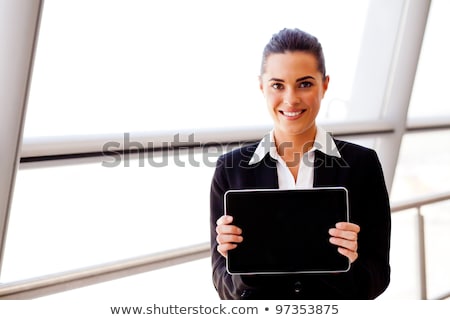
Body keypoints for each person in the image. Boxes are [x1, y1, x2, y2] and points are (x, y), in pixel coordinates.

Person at [209, 28, 391, 299]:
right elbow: (223, 284)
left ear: (325, 84)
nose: (291, 99)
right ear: (262, 86)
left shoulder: (362, 165)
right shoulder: (230, 170)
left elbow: (379, 275)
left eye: (305, 84)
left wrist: (347, 265)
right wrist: (239, 263)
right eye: (277, 85)